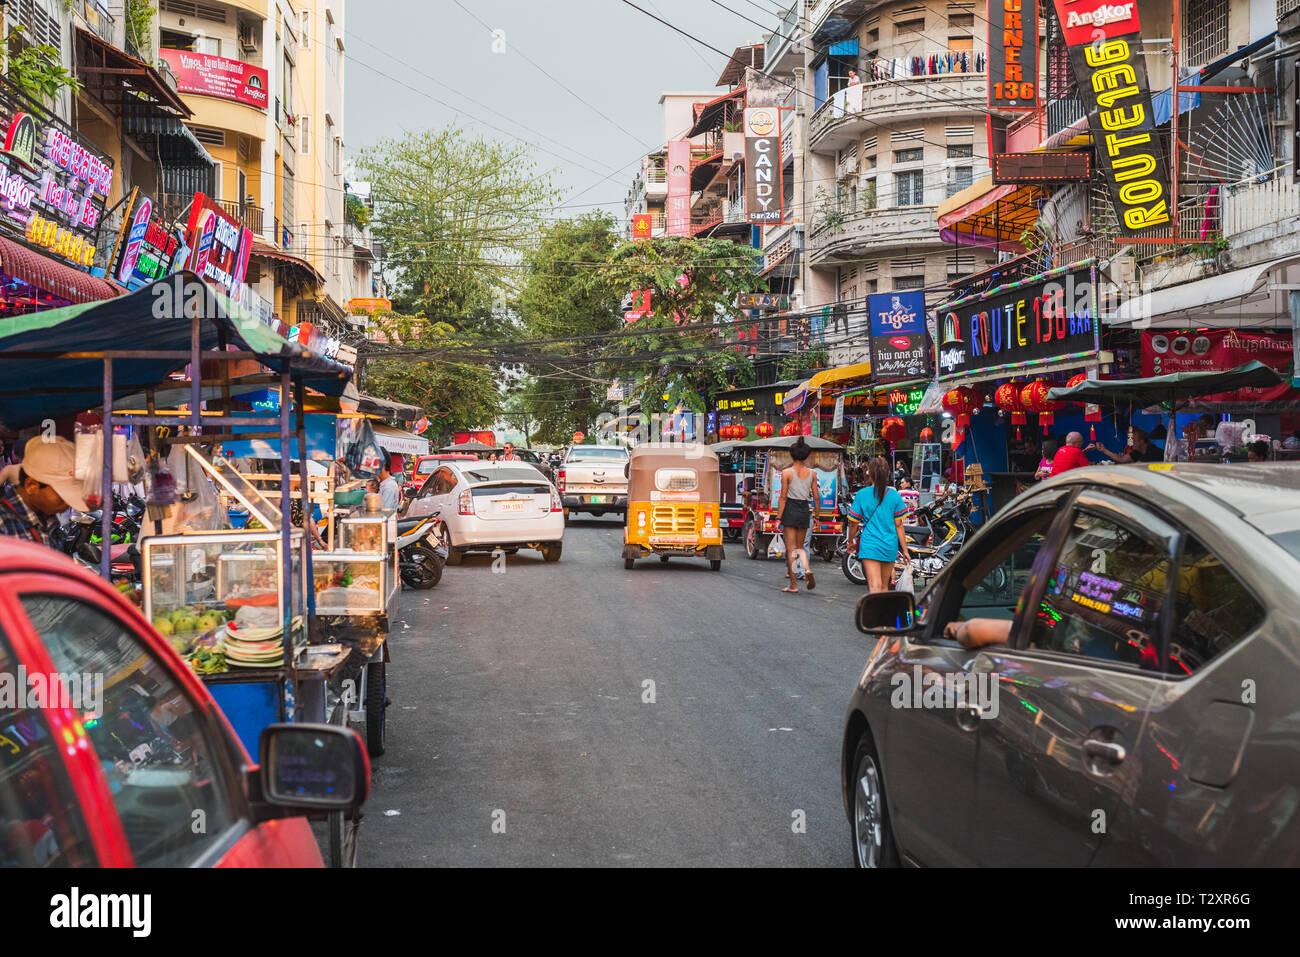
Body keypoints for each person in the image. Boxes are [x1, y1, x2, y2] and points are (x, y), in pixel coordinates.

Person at [0, 436, 89, 547]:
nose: (67, 503)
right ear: (31, 485)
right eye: (60, 493)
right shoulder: (5, 522)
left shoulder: (49, 520)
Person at [846, 456, 910, 593]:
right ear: (887, 473)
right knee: (884, 587)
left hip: (870, 544)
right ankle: (882, 614)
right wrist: (905, 550)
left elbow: (853, 523)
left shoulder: (862, 494)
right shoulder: (894, 495)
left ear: (869, 472)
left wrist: (850, 541)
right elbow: (899, 525)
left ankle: (874, 614)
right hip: (889, 544)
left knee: (875, 586)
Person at [774, 437, 819, 593]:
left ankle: (793, 584)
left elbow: (783, 497)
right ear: (806, 456)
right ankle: (807, 569)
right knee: (800, 547)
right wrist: (817, 516)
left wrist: (779, 517)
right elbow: (816, 496)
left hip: (791, 509)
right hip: (804, 510)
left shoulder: (787, 473)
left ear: (791, 456)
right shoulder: (812, 473)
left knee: (791, 548)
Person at [1095, 425, 1162, 463]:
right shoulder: (1138, 451)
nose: (1130, 443)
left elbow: (1135, 468)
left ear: (1142, 441)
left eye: (1133, 440)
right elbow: (1121, 459)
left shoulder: (1152, 452)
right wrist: (1103, 450)